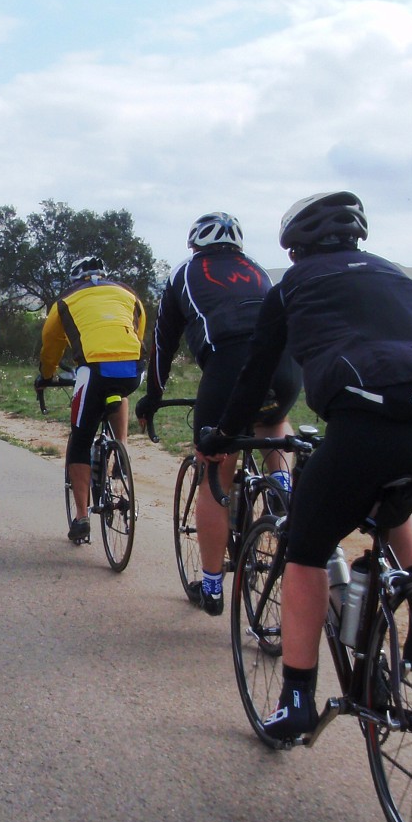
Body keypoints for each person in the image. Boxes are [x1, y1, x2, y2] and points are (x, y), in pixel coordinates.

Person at [199, 192, 412, 740]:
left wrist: (224, 434)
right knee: (397, 496)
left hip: (365, 432)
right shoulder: (397, 277)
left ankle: (296, 699)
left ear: (295, 245)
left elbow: (256, 372)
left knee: (305, 550)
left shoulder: (293, 286)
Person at [135, 212, 302, 616]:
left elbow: (163, 345)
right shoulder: (257, 270)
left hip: (228, 366)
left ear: (194, 244)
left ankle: (211, 587)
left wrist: (153, 397)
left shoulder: (184, 274)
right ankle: (282, 487)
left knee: (213, 469)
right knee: (273, 422)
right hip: (283, 367)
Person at [36, 256, 147, 545]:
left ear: (75, 280)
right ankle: (121, 450)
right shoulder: (128, 293)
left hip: (94, 370)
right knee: (119, 393)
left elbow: (51, 343)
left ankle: (82, 516)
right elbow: (139, 329)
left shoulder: (66, 300)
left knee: (81, 439)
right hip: (133, 368)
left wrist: (47, 375)